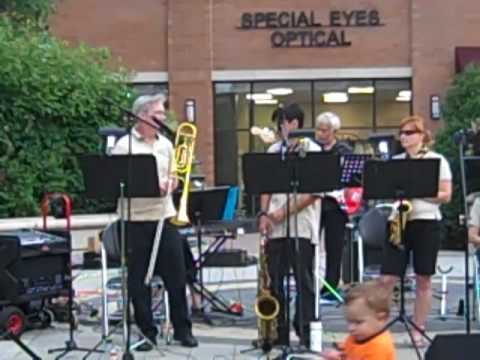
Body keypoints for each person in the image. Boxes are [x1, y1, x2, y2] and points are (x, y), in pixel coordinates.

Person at [112, 94, 198, 350]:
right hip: (135, 220)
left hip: (164, 216)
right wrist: (151, 184)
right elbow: (119, 182)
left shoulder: (167, 145)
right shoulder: (124, 145)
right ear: (142, 115)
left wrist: (173, 182)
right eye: (158, 114)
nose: (162, 118)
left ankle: (183, 330)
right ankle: (147, 332)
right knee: (138, 279)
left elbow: (176, 174)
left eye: (162, 114)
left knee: (176, 275)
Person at [379, 115, 452, 347]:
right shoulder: (396, 161)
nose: (404, 137)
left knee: (424, 277)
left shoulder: (436, 160)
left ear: (422, 135)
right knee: (388, 277)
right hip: (398, 220)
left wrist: (418, 191)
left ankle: (419, 329)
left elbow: (446, 195)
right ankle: (378, 327)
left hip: (425, 221)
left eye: (409, 133)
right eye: (401, 133)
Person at [258, 103, 321, 347]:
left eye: (283, 123)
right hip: (275, 225)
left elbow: (315, 191)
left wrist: (283, 212)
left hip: (302, 225)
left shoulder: (312, 150)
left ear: (295, 124)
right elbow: (266, 184)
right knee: (276, 279)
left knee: (303, 279)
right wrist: (265, 214)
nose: (280, 128)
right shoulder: (274, 150)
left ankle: (305, 330)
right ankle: (278, 331)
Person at [314, 112, 353, 303]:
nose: (320, 133)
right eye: (318, 129)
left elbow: (352, 178)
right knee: (309, 244)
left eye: (324, 130)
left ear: (334, 131)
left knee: (334, 247)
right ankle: (309, 283)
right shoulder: (312, 149)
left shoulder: (343, 150)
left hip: (335, 205)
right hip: (313, 203)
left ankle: (330, 287)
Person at [321, 281, 396, 360]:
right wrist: (339, 354)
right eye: (349, 322)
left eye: (358, 322)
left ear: (381, 318)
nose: (351, 328)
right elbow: (347, 353)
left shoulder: (379, 347)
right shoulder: (358, 336)